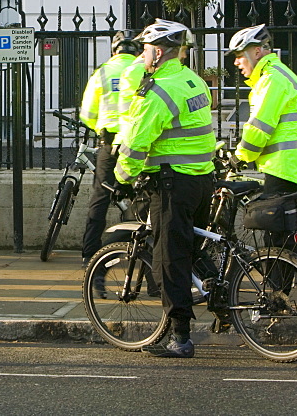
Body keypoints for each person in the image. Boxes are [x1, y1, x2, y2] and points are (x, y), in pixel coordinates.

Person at [113, 20, 216, 359]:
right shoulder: (193, 80)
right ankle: (221, 301)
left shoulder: (157, 90)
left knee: (169, 261)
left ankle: (181, 337)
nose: (141, 56)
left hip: (173, 185)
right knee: (191, 251)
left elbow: (137, 143)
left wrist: (121, 177)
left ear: (157, 52)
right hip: (203, 180)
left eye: (144, 49)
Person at [226, 24, 297, 300]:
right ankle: (277, 295)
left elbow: (259, 127)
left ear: (256, 52)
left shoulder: (272, 79)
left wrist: (239, 156)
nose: (236, 62)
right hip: (286, 166)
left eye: (240, 55)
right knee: (277, 237)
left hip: (285, 167)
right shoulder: (274, 76)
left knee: (283, 237)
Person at [78, 29, 139, 265]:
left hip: (109, 143)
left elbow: (87, 113)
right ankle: (142, 257)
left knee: (100, 198)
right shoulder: (143, 71)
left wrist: (100, 128)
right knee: (141, 200)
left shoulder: (101, 73)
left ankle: (90, 254)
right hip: (136, 143)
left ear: (114, 50)